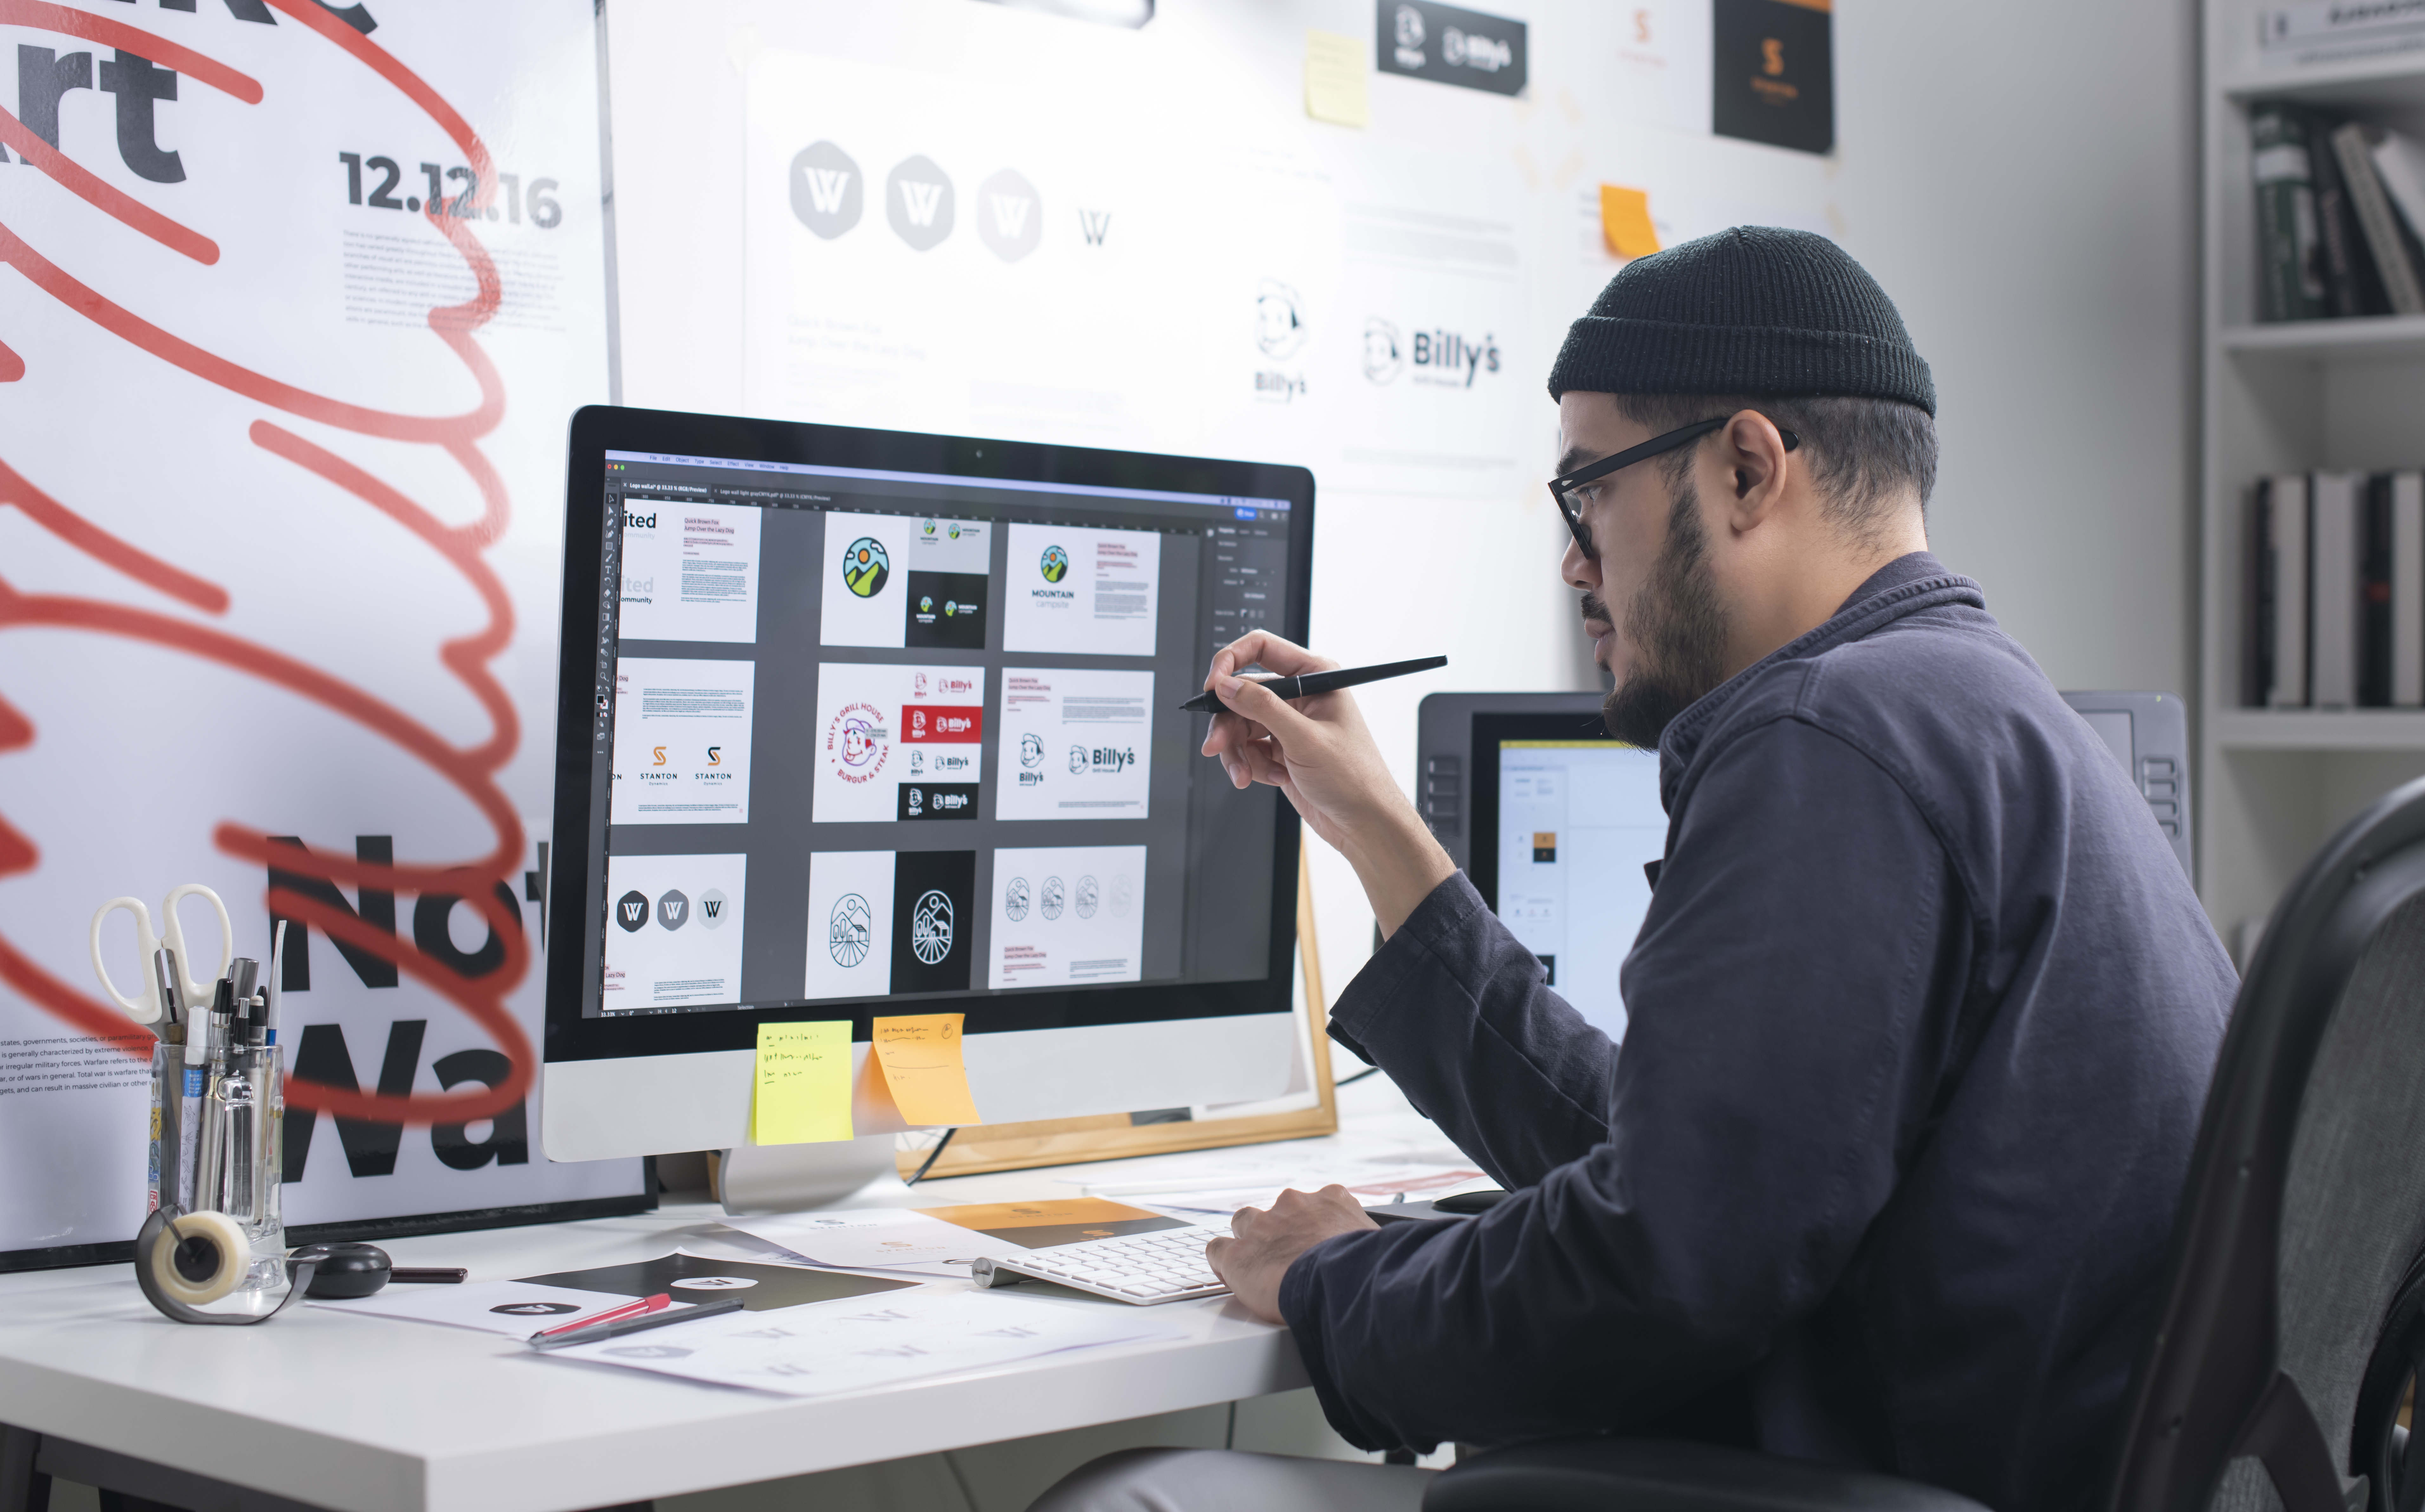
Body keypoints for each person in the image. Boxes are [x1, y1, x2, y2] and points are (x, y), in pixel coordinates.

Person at [1031, 227, 2235, 1512]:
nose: (1572, 560)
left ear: (1743, 467)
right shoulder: (1963, 708)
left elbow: (1654, 1272)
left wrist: (1335, 1278)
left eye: (1586, 491)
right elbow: (1680, 1174)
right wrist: (1383, 833)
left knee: (1133, 1496)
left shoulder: (1823, 737)